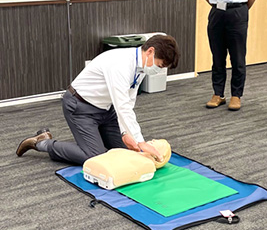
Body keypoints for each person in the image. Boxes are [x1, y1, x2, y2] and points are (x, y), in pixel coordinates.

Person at [16, 35, 181, 165]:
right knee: (97, 157)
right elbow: (122, 106)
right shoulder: (121, 63)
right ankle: (42, 143)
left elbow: (129, 101)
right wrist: (140, 140)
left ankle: (95, 139)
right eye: (159, 66)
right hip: (80, 108)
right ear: (150, 51)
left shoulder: (141, 66)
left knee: (128, 151)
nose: (157, 70)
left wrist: (126, 134)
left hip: (106, 111)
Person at [198, 0, 262, 111]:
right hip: (217, 13)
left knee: (238, 58)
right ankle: (218, 94)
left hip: (238, 12)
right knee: (217, 57)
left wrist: (239, 10)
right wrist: (219, 6)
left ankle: (236, 95)